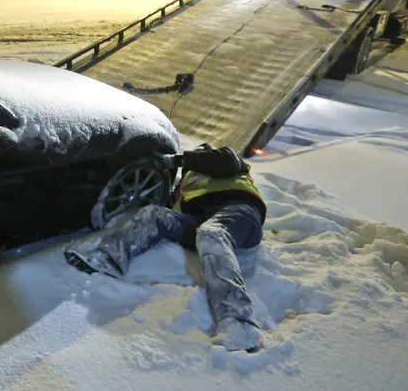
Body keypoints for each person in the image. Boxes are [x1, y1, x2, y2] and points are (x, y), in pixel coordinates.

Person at [64, 144, 267, 352]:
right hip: (197, 220)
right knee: (154, 214)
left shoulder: (229, 162)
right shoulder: (186, 187)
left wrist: (180, 160)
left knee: (212, 233)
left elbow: (226, 161)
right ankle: (108, 258)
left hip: (238, 210)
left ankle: (240, 323)